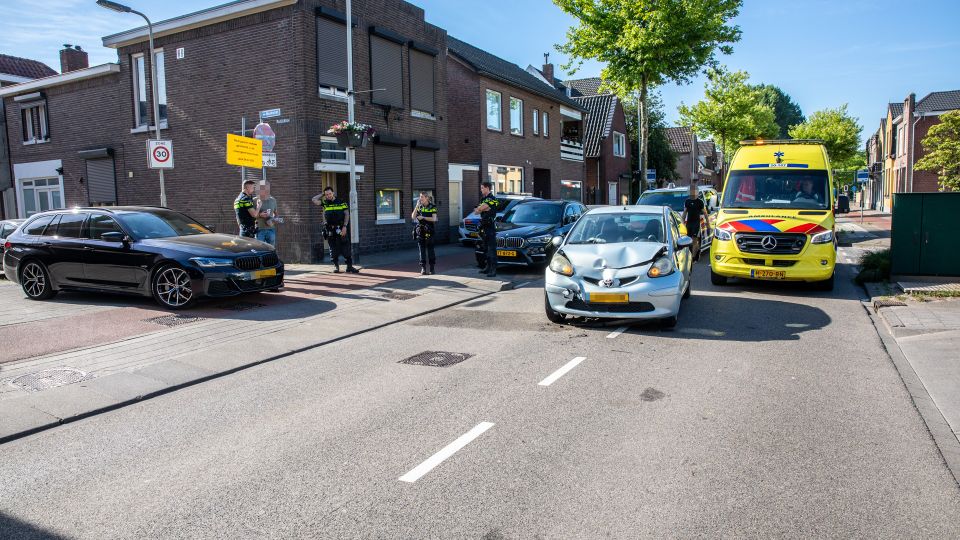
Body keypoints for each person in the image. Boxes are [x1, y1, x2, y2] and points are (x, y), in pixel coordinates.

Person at [311, 187, 359, 274]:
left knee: (345, 246)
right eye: (326, 194)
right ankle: (336, 266)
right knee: (332, 248)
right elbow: (314, 199)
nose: (328, 196)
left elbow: (346, 214)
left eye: (330, 193)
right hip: (330, 229)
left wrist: (345, 226)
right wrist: (322, 194)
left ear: (333, 193)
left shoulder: (341, 202)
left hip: (341, 228)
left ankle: (349, 266)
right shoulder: (325, 202)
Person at [475, 181, 500, 277]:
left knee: (491, 249)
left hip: (490, 226)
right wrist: (482, 208)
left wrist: (481, 209)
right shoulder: (483, 199)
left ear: (487, 188)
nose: (481, 189)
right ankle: (487, 267)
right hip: (484, 226)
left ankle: (493, 270)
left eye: (482, 188)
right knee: (485, 248)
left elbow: (479, 209)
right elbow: (476, 212)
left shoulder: (492, 199)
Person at [411, 192, 438, 275]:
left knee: (430, 250)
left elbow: (434, 219)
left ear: (426, 198)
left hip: (429, 231)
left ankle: (432, 269)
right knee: (421, 251)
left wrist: (423, 217)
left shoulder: (432, 206)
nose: (420, 198)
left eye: (422, 197)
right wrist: (416, 206)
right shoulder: (419, 206)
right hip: (421, 232)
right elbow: (413, 216)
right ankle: (423, 268)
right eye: (420, 197)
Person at [681, 185, 709, 261]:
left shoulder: (700, 202)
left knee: (694, 240)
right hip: (689, 223)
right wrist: (682, 223)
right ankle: (692, 253)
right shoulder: (687, 201)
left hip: (696, 224)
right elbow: (685, 213)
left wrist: (708, 223)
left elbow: (705, 213)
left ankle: (693, 257)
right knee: (688, 240)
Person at [255, 181, 279, 246]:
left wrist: (274, 221)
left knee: (271, 249)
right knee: (259, 249)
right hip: (259, 230)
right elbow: (252, 216)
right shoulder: (254, 200)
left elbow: (276, 214)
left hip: (271, 229)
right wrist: (260, 215)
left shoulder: (273, 200)